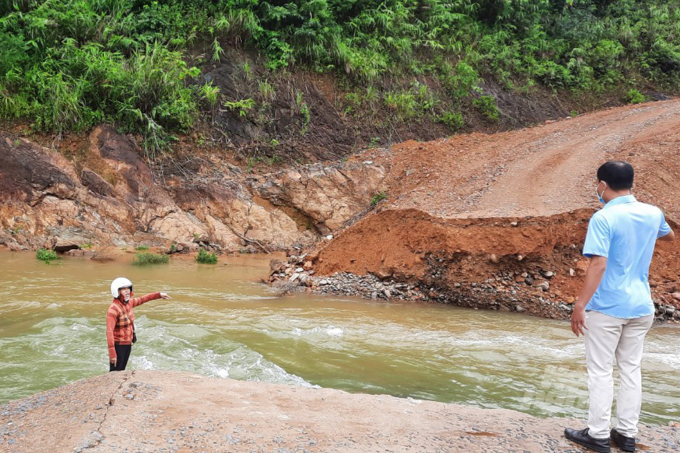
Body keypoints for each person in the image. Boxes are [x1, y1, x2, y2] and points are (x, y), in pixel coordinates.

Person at [565, 161, 675, 453]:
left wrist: (580, 305)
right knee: (630, 369)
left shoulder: (603, 218)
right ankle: (626, 434)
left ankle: (598, 435)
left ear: (602, 184)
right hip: (641, 306)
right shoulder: (653, 213)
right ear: (631, 183)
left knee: (600, 371)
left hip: (607, 306)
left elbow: (598, 263)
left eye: (597, 185)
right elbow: (670, 236)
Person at [107, 277, 170, 372]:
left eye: (128, 288)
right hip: (118, 345)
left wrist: (159, 295)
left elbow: (143, 299)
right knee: (115, 372)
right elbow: (109, 331)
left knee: (122, 370)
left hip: (128, 343)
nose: (127, 291)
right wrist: (112, 353)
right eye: (123, 289)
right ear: (117, 291)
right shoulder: (113, 309)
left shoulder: (129, 303)